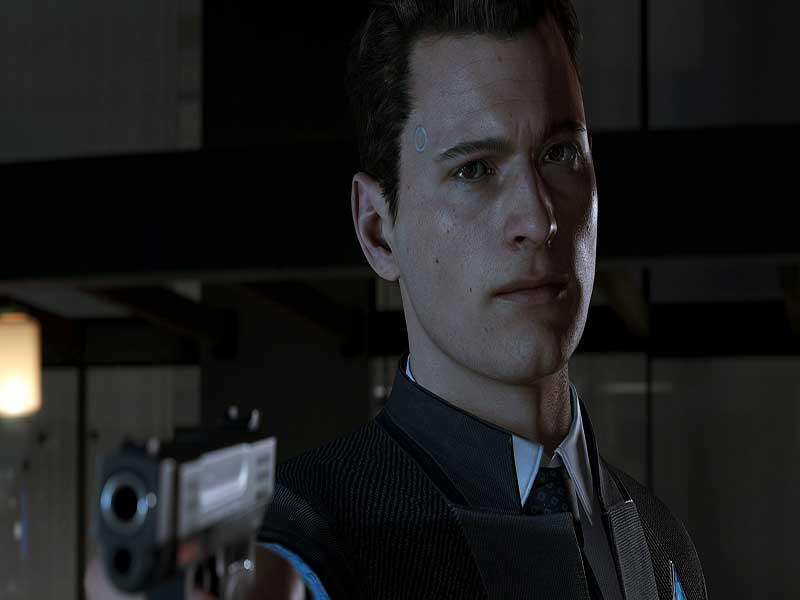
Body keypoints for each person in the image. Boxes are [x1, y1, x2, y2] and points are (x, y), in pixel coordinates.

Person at [256, 1, 708, 599]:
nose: (538, 221)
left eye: (560, 153)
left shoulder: (661, 541)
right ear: (378, 231)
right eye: (474, 170)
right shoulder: (305, 544)